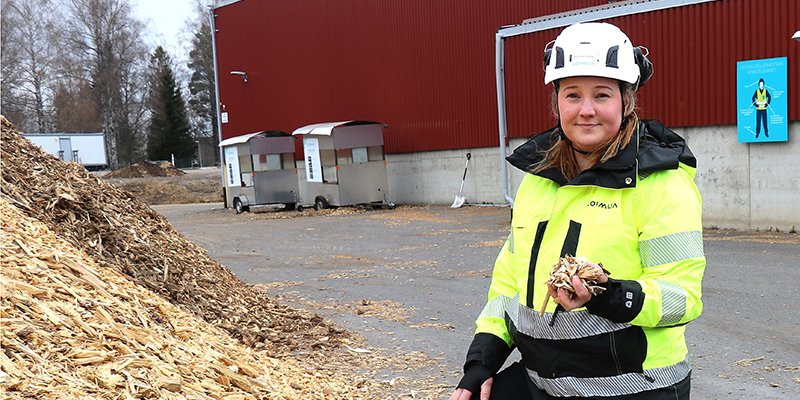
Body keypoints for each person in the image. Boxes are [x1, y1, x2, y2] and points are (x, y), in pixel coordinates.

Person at [450, 22, 705, 400]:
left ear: (626, 101)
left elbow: (682, 298)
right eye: (572, 95)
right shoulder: (538, 180)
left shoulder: (660, 184)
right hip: (546, 381)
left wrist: (608, 294)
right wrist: (482, 362)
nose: (586, 111)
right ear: (556, 103)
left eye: (602, 95)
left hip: (633, 386)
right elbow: (509, 282)